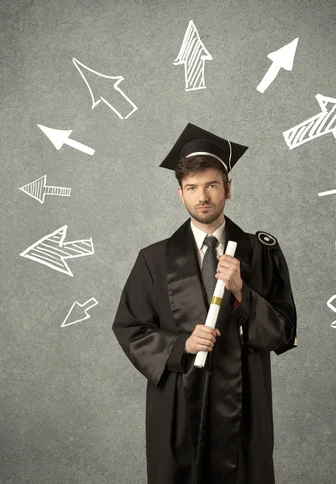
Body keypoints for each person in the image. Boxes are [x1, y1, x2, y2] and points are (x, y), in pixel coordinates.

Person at [112, 123, 297, 484]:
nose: (203, 197)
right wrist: (181, 344)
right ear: (180, 193)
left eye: (212, 185)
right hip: (178, 407)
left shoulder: (261, 253)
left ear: (228, 189)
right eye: (193, 188)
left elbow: (284, 332)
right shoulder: (153, 259)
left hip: (244, 405)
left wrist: (243, 292)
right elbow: (130, 327)